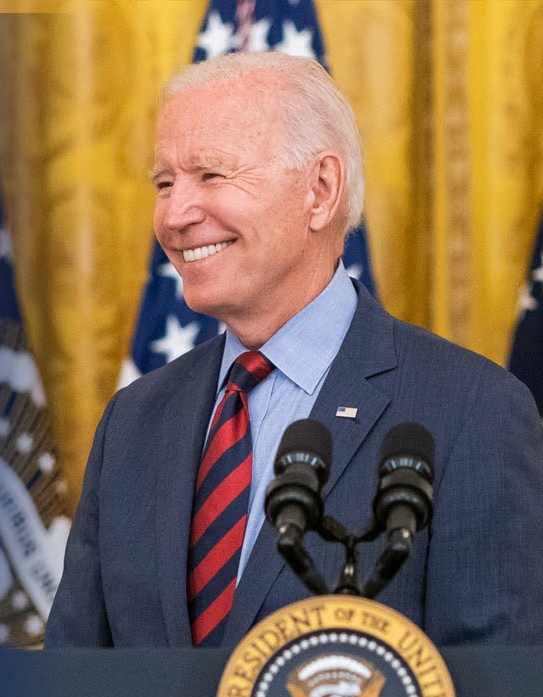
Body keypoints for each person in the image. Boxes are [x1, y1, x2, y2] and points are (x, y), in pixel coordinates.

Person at [45, 52, 543, 649]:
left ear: (320, 191)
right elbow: (72, 683)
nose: (175, 215)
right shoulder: (132, 420)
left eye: (211, 175)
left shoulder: (473, 413)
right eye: (164, 183)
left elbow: (498, 692)